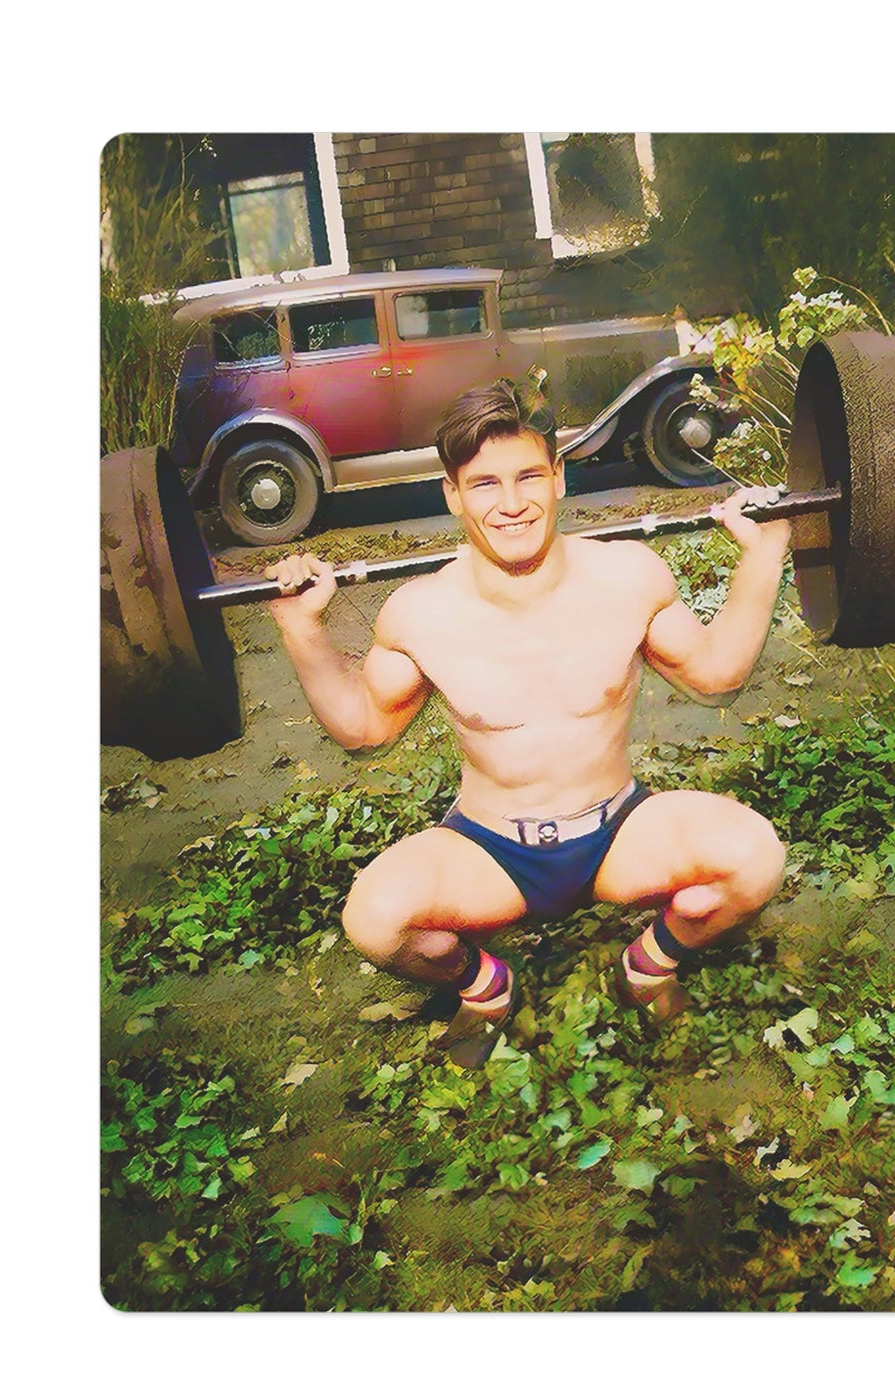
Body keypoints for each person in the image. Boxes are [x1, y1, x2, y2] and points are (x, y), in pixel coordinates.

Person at [264, 378, 790, 1067]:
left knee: (755, 858)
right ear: (452, 494)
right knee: (374, 918)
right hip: (491, 851)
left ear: (558, 478)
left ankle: (648, 964)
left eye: (527, 477)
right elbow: (365, 728)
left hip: (616, 832)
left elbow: (714, 674)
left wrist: (764, 553)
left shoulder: (628, 576)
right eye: (483, 484)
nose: (510, 504)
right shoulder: (421, 612)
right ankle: (485, 986)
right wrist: (301, 630)